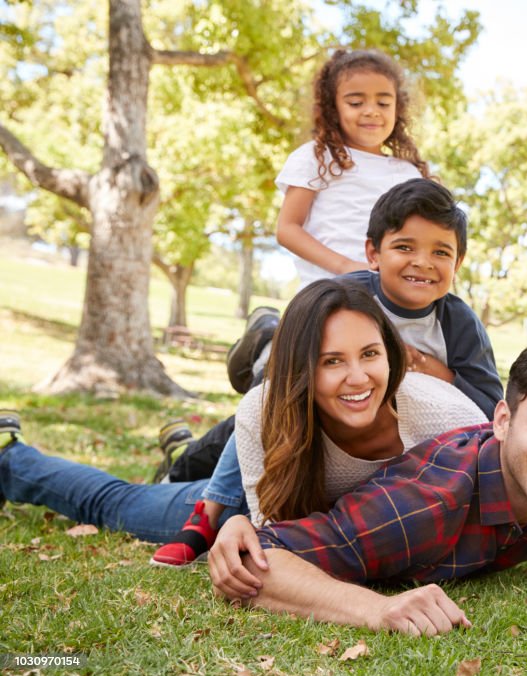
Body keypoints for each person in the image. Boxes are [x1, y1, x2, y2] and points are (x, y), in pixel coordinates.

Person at [215, 340, 527, 636]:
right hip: (287, 491)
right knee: (152, 507)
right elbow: (261, 556)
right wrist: (376, 610)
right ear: (503, 420)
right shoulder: (423, 506)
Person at [151, 179, 503, 566]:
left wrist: (427, 366)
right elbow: (283, 390)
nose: (422, 261)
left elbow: (488, 412)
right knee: (253, 416)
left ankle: (186, 449)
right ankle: (205, 506)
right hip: (306, 432)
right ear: (373, 253)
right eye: (405, 247)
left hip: (361, 452)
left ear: (459, 263)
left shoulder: (458, 324)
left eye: (441, 252)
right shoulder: (347, 297)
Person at [0, 281, 486, 556]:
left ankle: (182, 455)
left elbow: (502, 487)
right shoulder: (267, 408)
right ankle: (10, 459)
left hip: (301, 516)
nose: (357, 377)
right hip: (253, 511)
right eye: (331, 360)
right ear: (299, 369)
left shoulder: (444, 412)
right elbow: (275, 539)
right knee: (118, 504)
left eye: (369, 354)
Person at [276, 47, 429, 288]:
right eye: (356, 102)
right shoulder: (316, 158)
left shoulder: (408, 174)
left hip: (389, 293)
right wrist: (345, 267)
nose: (371, 111)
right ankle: (267, 325)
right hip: (328, 291)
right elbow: (287, 229)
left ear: (397, 110)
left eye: (383, 103)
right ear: (332, 109)